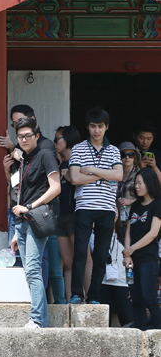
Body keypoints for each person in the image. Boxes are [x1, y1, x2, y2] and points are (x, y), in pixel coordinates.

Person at [7, 117, 61, 328]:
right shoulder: (23, 160)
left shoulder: (46, 154)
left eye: (28, 135)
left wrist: (30, 207)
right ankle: (39, 318)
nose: (24, 139)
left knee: (32, 269)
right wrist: (14, 232)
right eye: (20, 136)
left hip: (36, 219)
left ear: (37, 136)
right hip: (22, 221)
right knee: (30, 270)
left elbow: (55, 188)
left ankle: (37, 319)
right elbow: (19, 192)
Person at [69, 107, 123, 305]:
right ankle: (76, 294)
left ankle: (94, 296)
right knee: (80, 252)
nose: (97, 130)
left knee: (101, 255)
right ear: (88, 127)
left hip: (107, 208)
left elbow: (119, 175)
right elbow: (74, 178)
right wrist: (105, 174)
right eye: (93, 126)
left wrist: (91, 170)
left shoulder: (114, 150)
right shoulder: (78, 148)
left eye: (100, 126)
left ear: (106, 127)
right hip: (84, 206)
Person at [123, 167, 161, 330]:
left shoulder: (157, 205)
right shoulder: (136, 206)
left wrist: (130, 250)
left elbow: (153, 233)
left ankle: (158, 334)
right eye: (135, 183)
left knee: (149, 298)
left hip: (148, 260)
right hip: (132, 261)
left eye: (140, 183)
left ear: (149, 183)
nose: (136, 186)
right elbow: (128, 233)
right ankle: (139, 333)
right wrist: (127, 254)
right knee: (136, 300)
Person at [54, 125, 81, 301]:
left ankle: (86, 298)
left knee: (82, 258)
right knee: (68, 263)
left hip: (76, 214)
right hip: (60, 215)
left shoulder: (79, 160)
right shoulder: (62, 162)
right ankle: (71, 299)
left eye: (58, 139)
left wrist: (70, 176)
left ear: (68, 139)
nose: (55, 143)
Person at [117, 141, 141, 222]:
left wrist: (130, 201)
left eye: (131, 155)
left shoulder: (140, 174)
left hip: (135, 216)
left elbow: (149, 198)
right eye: (123, 155)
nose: (127, 157)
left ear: (135, 157)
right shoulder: (113, 173)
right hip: (115, 217)